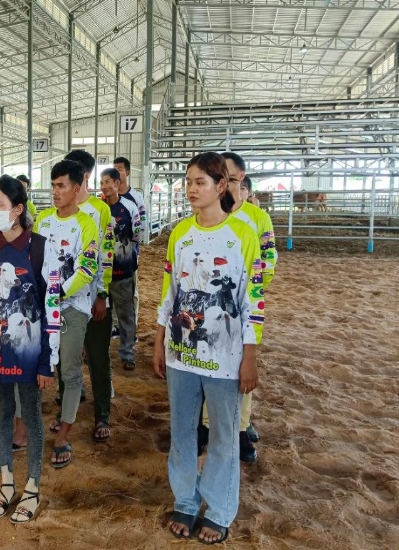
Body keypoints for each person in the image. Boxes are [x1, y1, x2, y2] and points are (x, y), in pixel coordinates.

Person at [152, 151, 264, 544]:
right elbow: (170, 291)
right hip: (181, 351)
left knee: (223, 434)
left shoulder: (243, 235)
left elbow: (253, 301)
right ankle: (185, 498)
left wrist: (250, 356)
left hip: (226, 357)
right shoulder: (180, 233)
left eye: (200, 182)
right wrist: (159, 339)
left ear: (221, 186)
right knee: (182, 429)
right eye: (188, 182)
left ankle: (218, 508)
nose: (191, 189)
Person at [0, 175, 60, 523]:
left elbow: (51, 307)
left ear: (18, 209)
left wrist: (47, 361)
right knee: (3, 413)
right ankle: (7, 483)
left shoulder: (40, 247)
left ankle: (33, 487)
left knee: (32, 416)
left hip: (29, 351)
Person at [198, 152, 277, 463]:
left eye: (227, 175)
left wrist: (244, 288)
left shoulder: (257, 219)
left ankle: (241, 427)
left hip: (239, 305)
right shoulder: (206, 213)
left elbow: (267, 262)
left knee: (240, 365)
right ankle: (206, 424)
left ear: (239, 178)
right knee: (206, 358)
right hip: (210, 304)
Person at [33, 160, 98, 468]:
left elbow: (87, 268)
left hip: (73, 307)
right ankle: (27, 427)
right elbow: (33, 260)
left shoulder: (87, 224)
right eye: (53, 185)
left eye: (61, 186)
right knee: (37, 366)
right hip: (41, 307)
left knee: (70, 371)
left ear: (76, 188)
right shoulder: (42, 219)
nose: (55, 191)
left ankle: (63, 435)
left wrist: (57, 293)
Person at [62, 149, 114, 442]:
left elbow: (106, 254)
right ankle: (65, 410)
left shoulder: (99, 210)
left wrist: (102, 294)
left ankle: (102, 413)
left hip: (92, 295)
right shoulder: (55, 212)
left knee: (97, 356)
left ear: (84, 176)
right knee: (64, 355)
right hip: (64, 299)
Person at [100, 168, 141, 370]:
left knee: (125, 313)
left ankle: (127, 353)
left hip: (123, 271)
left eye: (108, 182)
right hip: (101, 274)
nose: (104, 186)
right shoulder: (98, 209)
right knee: (101, 315)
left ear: (117, 184)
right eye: (102, 183)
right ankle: (98, 352)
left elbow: (137, 235)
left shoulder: (129, 207)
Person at [112, 157, 146, 337]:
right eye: (114, 168)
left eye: (119, 169)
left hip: (129, 252)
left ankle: (131, 325)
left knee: (130, 289)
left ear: (128, 172)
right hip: (110, 254)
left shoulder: (136, 197)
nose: (116, 172)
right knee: (111, 289)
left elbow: (141, 225)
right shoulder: (107, 197)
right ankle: (115, 326)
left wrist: (133, 246)